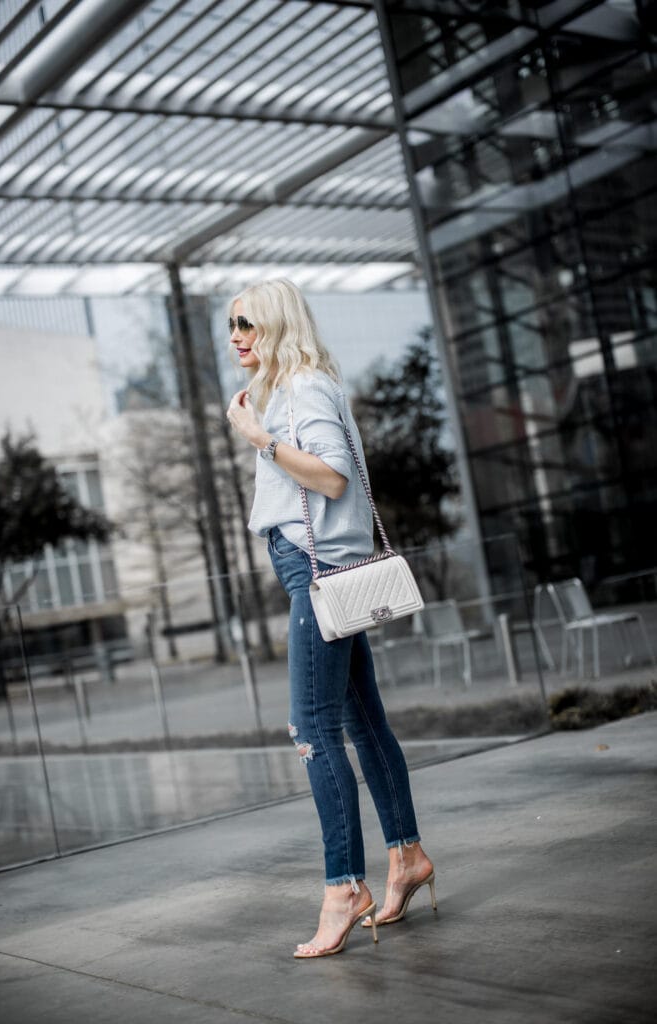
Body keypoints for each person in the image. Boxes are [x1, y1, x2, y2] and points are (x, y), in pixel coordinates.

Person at [226, 279, 436, 959]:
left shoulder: (302, 390)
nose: (235, 336)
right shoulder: (293, 385)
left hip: (316, 574)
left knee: (311, 728)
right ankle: (404, 856)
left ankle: (343, 886)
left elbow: (333, 477)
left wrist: (258, 439)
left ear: (277, 326)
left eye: (247, 324)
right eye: (231, 325)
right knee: (361, 720)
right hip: (322, 573)